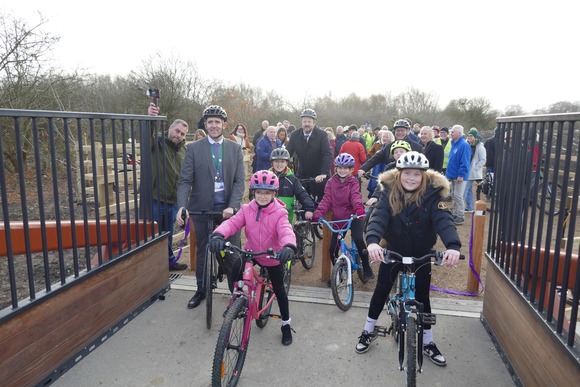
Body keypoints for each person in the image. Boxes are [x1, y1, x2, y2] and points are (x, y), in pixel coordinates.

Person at [355, 151, 461, 367]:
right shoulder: (388, 191)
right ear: (399, 173)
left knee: (423, 297)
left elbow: (444, 220)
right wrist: (373, 241)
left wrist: (453, 246)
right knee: (382, 289)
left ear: (424, 175)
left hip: (422, 252)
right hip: (394, 250)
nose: (411, 178)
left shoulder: (434, 194)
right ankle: (368, 330)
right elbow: (379, 217)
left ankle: (428, 342)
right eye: (407, 173)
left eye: (416, 174)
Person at [209, 170, 297, 345]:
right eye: (259, 192)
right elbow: (232, 223)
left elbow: (286, 230)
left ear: (274, 194)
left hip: (272, 255)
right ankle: (236, 299)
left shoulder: (280, 212)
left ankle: (286, 324)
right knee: (235, 268)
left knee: (279, 290)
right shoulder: (246, 209)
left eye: (267, 193)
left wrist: (288, 246)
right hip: (251, 252)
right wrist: (219, 234)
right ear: (253, 193)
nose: (262, 196)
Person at [175, 105, 245, 309]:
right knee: (203, 251)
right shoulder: (194, 148)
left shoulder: (235, 148)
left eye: (217, 122)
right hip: (202, 209)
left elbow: (240, 181)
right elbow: (185, 181)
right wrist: (182, 206)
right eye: (210, 122)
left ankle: (236, 292)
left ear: (224, 124)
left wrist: (233, 206)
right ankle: (201, 290)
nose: (214, 125)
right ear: (205, 125)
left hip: (228, 211)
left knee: (232, 252)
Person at [312, 153, 374, 281]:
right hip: (340, 218)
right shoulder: (330, 182)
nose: (342, 170)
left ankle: (367, 267)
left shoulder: (353, 182)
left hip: (355, 216)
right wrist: (318, 213)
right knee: (333, 249)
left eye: (346, 168)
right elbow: (326, 199)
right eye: (340, 167)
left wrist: (359, 210)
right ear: (336, 168)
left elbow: (355, 197)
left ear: (351, 170)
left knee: (358, 238)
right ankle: (338, 272)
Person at [146, 103, 190, 270]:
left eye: (182, 134)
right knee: (152, 234)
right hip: (156, 198)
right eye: (177, 131)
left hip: (173, 201)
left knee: (168, 234)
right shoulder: (157, 143)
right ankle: (153, 266)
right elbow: (146, 135)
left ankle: (168, 262)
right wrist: (151, 119)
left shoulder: (184, 151)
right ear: (170, 128)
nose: (178, 135)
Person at [285, 108, 333, 202]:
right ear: (301, 122)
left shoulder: (322, 135)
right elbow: (288, 153)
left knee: (321, 202)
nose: (307, 124)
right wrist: (282, 167)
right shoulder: (295, 135)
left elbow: (327, 154)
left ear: (313, 123)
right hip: (303, 174)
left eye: (309, 121)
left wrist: (324, 173)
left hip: (319, 174)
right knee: (302, 202)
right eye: (304, 121)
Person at [357, 119, 421, 180]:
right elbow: (376, 158)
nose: (400, 133)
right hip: (391, 181)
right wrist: (363, 169)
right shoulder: (389, 146)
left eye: (402, 130)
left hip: (410, 182)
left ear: (407, 131)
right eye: (398, 130)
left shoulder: (417, 147)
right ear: (394, 132)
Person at [270, 148, 315, 223]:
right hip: (268, 216)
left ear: (287, 163)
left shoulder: (292, 179)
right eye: (276, 161)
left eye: (282, 161)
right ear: (272, 162)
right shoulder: (265, 177)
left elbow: (302, 194)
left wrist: (309, 208)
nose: (279, 164)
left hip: (286, 218)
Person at [365, 140, 412, 207]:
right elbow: (382, 183)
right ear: (393, 155)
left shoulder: (413, 168)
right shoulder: (390, 167)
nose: (398, 153)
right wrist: (375, 196)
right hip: (390, 198)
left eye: (401, 151)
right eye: (396, 152)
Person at [445, 125, 471, 225]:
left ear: (460, 133)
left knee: (458, 195)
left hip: (459, 176)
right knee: (453, 195)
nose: (451, 134)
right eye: (451, 132)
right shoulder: (454, 143)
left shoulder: (464, 145)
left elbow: (465, 161)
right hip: (452, 174)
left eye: (453, 132)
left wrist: (461, 174)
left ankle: (460, 216)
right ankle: (455, 213)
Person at [366, 129, 394, 199]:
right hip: (378, 171)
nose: (384, 138)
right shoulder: (381, 147)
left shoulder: (392, 149)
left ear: (390, 138)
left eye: (386, 137)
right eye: (383, 137)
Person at [463, 128, 487, 212]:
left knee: (464, 190)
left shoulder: (480, 147)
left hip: (472, 172)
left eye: (471, 135)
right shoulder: (467, 145)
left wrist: (475, 168)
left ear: (475, 137)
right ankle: (470, 207)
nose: (469, 137)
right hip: (467, 171)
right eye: (468, 135)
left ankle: (460, 208)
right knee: (469, 190)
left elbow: (483, 160)